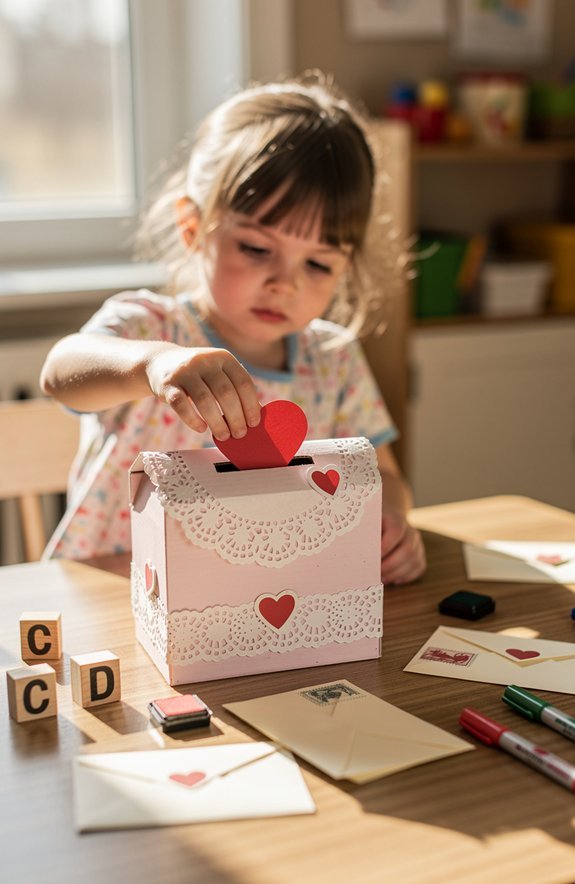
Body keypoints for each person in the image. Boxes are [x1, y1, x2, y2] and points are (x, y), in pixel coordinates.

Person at [40, 73, 426, 585]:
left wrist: (394, 522)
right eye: (257, 250)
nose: (284, 284)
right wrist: (152, 365)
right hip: (110, 587)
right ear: (193, 228)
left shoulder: (333, 359)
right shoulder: (149, 327)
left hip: (250, 600)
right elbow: (59, 369)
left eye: (318, 265)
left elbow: (386, 477)